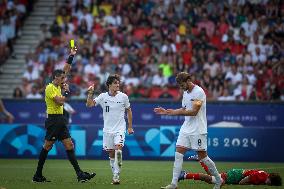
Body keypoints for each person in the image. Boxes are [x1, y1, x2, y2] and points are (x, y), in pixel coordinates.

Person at [32, 47, 96, 183]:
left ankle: (80, 174)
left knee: (69, 145)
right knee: (47, 146)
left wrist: (71, 55)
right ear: (55, 78)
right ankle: (37, 175)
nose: (64, 79)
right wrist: (66, 92)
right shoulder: (50, 88)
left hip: (60, 120)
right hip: (53, 120)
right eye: (62, 78)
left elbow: (65, 69)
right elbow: (60, 102)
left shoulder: (58, 84)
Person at [154, 72, 222, 189]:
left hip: (198, 129)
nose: (181, 87)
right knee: (178, 154)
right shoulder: (185, 93)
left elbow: (194, 111)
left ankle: (218, 180)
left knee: (203, 157)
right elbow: (185, 108)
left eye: (181, 84)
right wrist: (168, 112)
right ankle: (174, 184)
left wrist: (177, 112)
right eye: (179, 85)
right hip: (186, 127)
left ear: (188, 81)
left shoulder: (199, 92)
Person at [86, 74, 134, 185]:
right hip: (107, 130)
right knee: (111, 155)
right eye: (115, 83)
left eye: (118, 83)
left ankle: (116, 176)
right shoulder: (103, 96)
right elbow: (89, 104)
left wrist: (130, 126)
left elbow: (129, 110)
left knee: (118, 151)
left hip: (120, 129)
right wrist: (90, 93)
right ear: (109, 85)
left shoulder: (123, 96)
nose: (118, 85)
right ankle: (115, 173)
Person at [178, 166, 282, 186]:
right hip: (235, 176)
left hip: (236, 173)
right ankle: (184, 175)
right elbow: (244, 181)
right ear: (271, 180)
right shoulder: (262, 177)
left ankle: (185, 174)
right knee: (211, 179)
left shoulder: (264, 175)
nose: (269, 185)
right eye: (271, 184)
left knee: (211, 177)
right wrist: (243, 184)